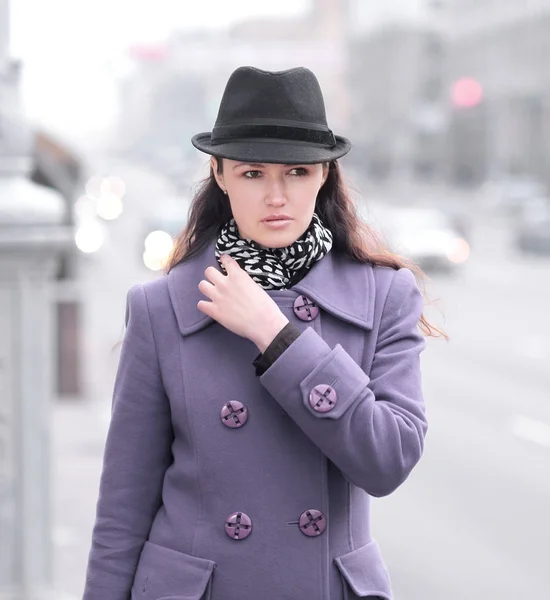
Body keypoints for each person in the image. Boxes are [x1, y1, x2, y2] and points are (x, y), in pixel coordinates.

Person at [82, 66, 444, 600]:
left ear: (324, 175)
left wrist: (276, 336)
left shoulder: (384, 296)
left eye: (296, 172)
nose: (276, 196)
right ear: (220, 173)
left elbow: (387, 460)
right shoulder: (161, 307)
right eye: (253, 173)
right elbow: (122, 507)